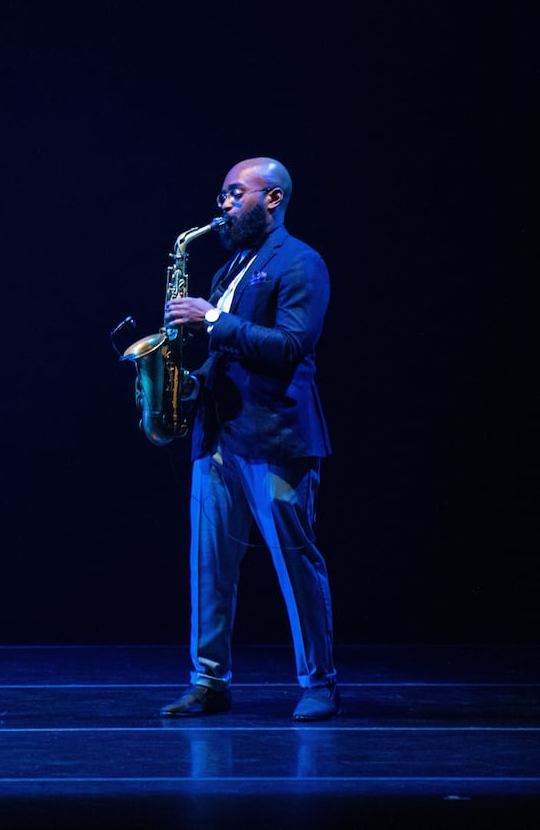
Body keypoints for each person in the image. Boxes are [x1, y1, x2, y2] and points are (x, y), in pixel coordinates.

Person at [158, 156, 339, 721]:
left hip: (276, 439)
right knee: (210, 568)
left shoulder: (301, 262)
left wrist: (212, 320)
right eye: (223, 197)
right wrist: (182, 384)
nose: (225, 206)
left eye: (237, 195)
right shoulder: (229, 267)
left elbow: (291, 345)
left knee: (295, 563)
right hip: (217, 440)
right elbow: (226, 353)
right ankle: (208, 682)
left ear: (273, 199)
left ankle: (318, 684)